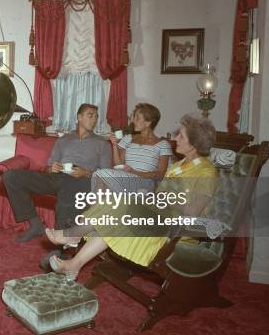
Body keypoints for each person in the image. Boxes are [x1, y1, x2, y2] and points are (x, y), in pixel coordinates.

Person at [45, 114, 218, 279]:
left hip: (175, 232)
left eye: (181, 135)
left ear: (194, 144)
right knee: (116, 205)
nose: (176, 138)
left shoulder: (206, 172)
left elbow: (193, 210)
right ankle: (74, 262)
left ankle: (72, 235)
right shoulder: (180, 165)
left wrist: (162, 200)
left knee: (120, 209)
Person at [2, 103, 112, 243]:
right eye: (90, 115)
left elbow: (105, 174)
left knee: (69, 187)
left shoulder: (102, 143)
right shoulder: (64, 139)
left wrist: (85, 172)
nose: (94, 120)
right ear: (79, 117)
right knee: (11, 176)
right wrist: (52, 168)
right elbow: (48, 166)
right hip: (58, 176)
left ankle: (60, 245)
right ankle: (35, 225)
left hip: (82, 180)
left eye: (96, 117)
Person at [92, 103, 172, 194]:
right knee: (100, 175)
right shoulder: (128, 138)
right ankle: (98, 207)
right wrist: (114, 145)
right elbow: (119, 165)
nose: (133, 121)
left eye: (137, 118)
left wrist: (134, 172)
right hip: (126, 178)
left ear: (148, 122)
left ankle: (97, 207)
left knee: (102, 174)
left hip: (146, 182)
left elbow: (160, 174)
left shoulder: (163, 144)